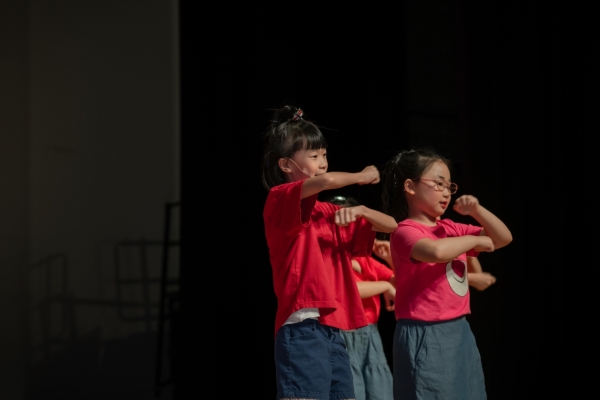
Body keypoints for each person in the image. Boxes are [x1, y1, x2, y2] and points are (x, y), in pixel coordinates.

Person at [262, 105, 398, 400]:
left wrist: (362, 210)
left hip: (332, 326)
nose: (322, 163)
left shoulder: (327, 212)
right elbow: (325, 181)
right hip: (301, 324)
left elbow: (392, 225)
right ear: (286, 164)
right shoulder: (280, 198)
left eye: (324, 155)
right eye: (314, 156)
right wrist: (360, 176)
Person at [380, 147, 512, 400]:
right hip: (425, 332)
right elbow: (436, 252)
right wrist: (475, 241)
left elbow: (503, 238)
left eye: (449, 186)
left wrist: (477, 211)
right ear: (410, 186)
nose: (446, 192)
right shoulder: (404, 231)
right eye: (438, 183)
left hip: (459, 329)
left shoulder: (450, 228)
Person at [326, 195, 396, 400]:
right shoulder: (329, 257)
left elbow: (399, 283)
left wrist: (390, 258)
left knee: (381, 392)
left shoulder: (364, 260)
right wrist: (384, 286)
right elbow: (347, 290)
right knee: (350, 391)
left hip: (370, 333)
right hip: (342, 333)